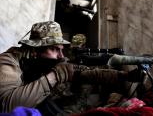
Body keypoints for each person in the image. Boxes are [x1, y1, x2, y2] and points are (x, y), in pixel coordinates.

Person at [0, 21, 142, 116]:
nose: (61, 56)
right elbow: (7, 106)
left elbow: (88, 73)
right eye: (55, 49)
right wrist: (54, 76)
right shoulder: (8, 61)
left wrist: (125, 76)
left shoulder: (44, 62)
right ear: (35, 49)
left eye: (61, 49)